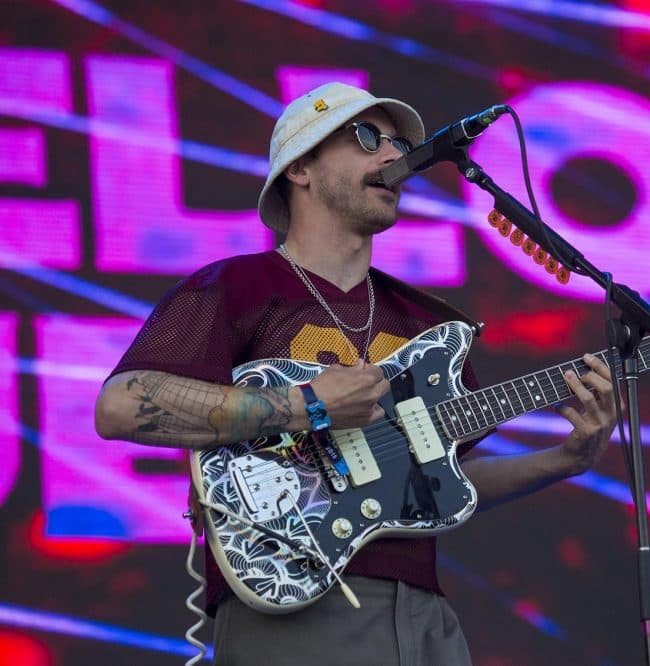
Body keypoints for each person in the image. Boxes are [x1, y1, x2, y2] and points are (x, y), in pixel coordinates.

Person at [94, 82, 617, 665]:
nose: (395, 157)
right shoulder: (237, 287)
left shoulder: (427, 322)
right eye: (367, 138)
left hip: (424, 618)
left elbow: (448, 478)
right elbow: (121, 404)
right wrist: (308, 405)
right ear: (300, 169)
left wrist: (567, 460)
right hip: (294, 599)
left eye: (397, 143)